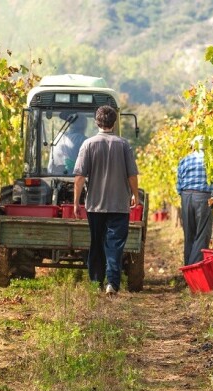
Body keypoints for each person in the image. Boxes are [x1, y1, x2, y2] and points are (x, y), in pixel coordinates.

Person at [73, 106, 139, 294]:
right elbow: (132, 175)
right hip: (119, 205)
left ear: (96, 122)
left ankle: (96, 283)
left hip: (95, 205)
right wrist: (135, 194)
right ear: (114, 122)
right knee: (115, 245)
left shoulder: (88, 144)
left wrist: (77, 202)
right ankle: (112, 282)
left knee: (96, 243)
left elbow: (79, 176)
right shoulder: (124, 144)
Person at [176, 135, 213, 266]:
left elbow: (179, 185)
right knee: (202, 234)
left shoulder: (184, 160)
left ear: (193, 146)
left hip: (186, 197)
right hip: (203, 197)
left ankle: (188, 269)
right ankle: (194, 269)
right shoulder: (211, 161)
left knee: (189, 234)